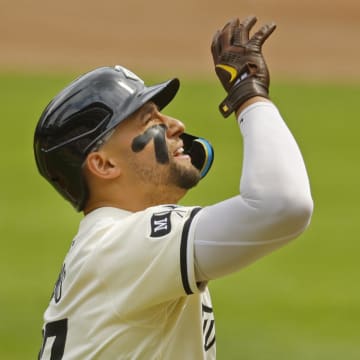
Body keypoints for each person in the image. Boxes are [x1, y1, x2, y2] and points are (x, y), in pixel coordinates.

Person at [34, 16, 313, 360]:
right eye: (149, 120)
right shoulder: (120, 245)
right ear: (103, 164)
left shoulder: (107, 249)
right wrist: (248, 95)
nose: (177, 124)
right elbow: (283, 204)